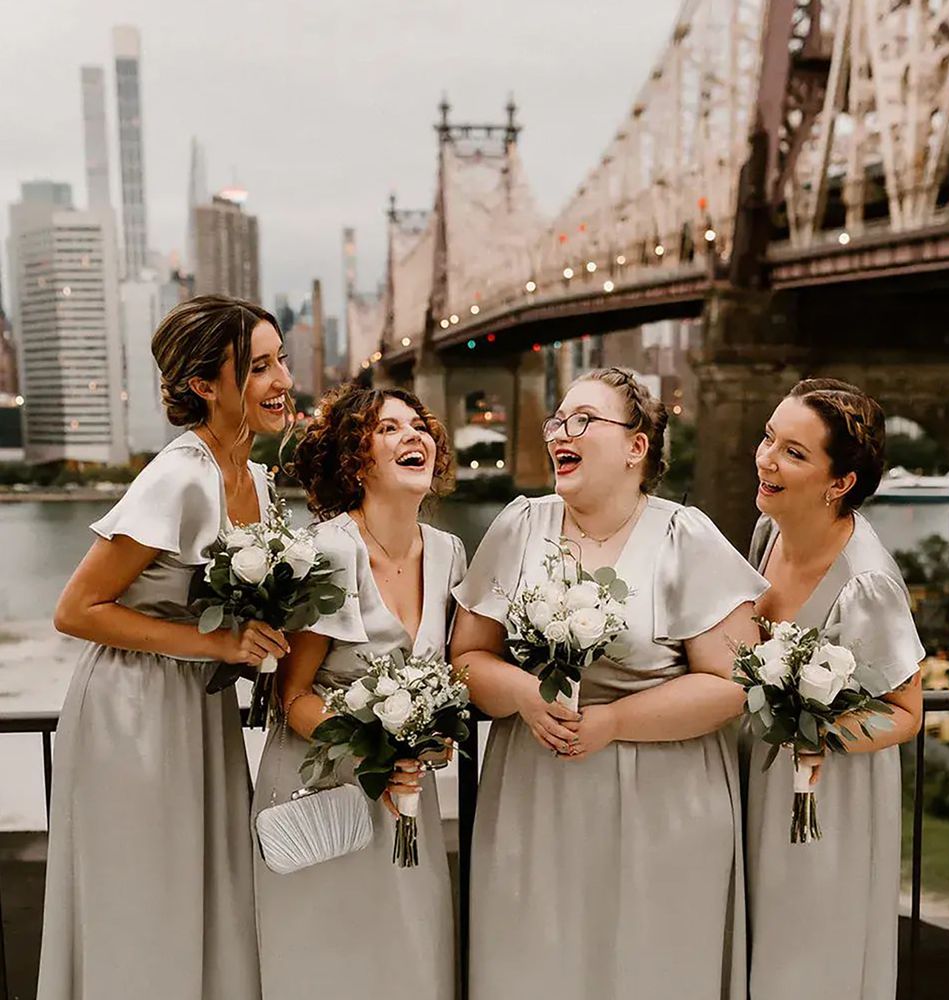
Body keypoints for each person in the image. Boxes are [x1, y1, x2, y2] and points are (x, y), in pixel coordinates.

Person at [450, 366, 768, 1000]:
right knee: (535, 966)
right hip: (535, 800)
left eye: (584, 420)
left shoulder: (686, 536)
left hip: (664, 806)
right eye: (558, 422)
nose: (562, 434)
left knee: (650, 970)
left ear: (636, 447)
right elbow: (466, 658)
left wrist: (614, 721)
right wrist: (521, 694)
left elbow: (735, 684)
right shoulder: (519, 526)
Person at [37, 295, 294, 1000]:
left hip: (195, 704)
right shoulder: (179, 476)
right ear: (205, 385)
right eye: (260, 367)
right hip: (133, 709)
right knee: (146, 891)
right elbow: (76, 610)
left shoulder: (258, 479)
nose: (282, 381)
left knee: (205, 884)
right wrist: (213, 642)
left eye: (281, 361)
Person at [252, 385, 465, 1000]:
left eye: (418, 425)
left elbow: (449, 679)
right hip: (319, 788)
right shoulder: (328, 550)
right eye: (389, 429)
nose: (413, 436)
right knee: (327, 958)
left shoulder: (449, 554)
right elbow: (290, 699)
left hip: (403, 796)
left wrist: (432, 739)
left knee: (410, 953)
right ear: (356, 457)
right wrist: (372, 743)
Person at [744, 378, 924, 1000]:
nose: (767, 458)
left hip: (825, 796)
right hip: (757, 773)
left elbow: (906, 712)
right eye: (770, 437)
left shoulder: (867, 583)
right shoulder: (769, 530)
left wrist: (822, 733)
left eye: (794, 453)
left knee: (807, 951)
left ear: (839, 483)